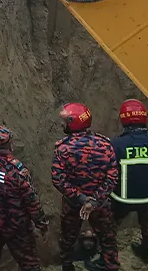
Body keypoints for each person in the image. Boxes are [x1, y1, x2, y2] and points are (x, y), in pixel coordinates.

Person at [52, 103, 119, 271]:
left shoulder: (63, 148)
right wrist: (95, 200)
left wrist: (80, 198)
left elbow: (58, 179)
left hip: (73, 204)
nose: (62, 124)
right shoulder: (105, 144)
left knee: (67, 238)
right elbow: (113, 177)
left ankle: (67, 266)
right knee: (108, 239)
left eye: (65, 121)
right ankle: (111, 266)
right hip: (100, 204)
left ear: (73, 123)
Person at [105, 100, 148, 265]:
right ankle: (146, 252)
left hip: (121, 199)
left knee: (109, 226)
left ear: (123, 120)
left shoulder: (115, 145)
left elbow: (105, 172)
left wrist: (108, 192)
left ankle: (107, 258)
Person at [0, 126, 46, 271]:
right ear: (11, 145)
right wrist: (41, 223)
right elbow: (31, 201)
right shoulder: (18, 171)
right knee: (29, 264)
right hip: (17, 227)